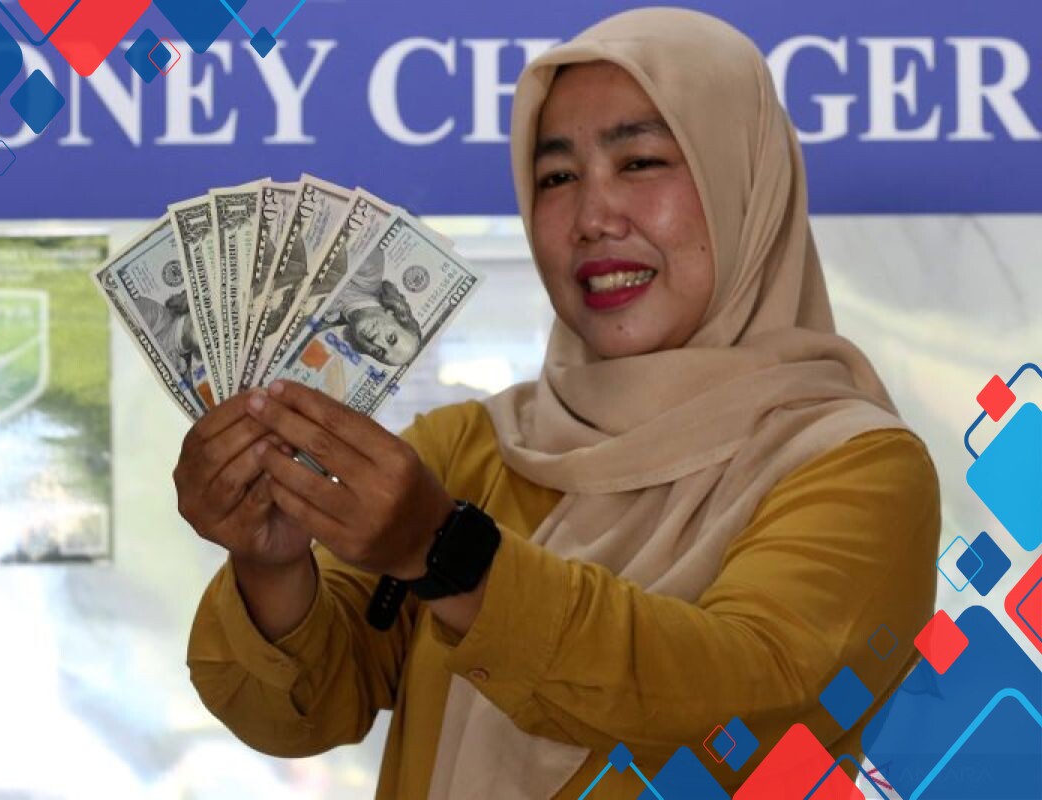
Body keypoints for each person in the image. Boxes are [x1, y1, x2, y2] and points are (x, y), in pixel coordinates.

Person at [177, 8, 940, 799]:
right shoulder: (472, 448)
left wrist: (447, 555)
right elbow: (302, 713)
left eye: (640, 162)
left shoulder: (857, 467)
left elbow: (742, 703)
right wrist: (271, 562)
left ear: (746, 183)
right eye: (556, 178)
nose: (592, 218)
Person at [315, 245, 423, 366]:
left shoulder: (322, 323)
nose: (376, 341)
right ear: (393, 313)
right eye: (391, 338)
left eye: (379, 352)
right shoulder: (369, 268)